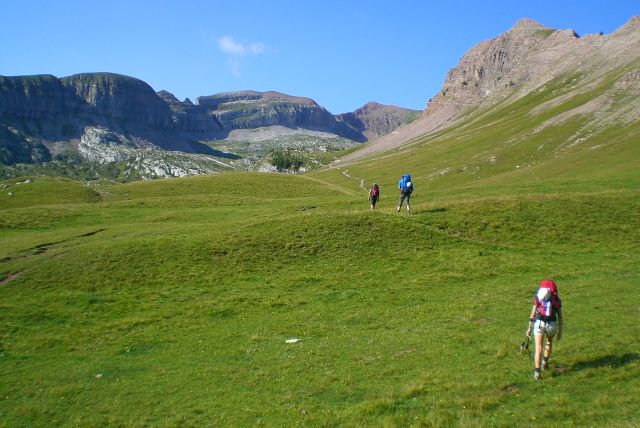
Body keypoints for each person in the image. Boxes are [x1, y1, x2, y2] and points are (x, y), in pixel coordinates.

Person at [526, 280, 563, 380]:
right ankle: (545, 363)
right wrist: (560, 331)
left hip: (539, 325)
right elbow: (560, 316)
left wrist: (529, 329)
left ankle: (537, 373)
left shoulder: (537, 298)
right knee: (549, 341)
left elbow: (532, 315)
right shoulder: (555, 300)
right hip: (552, 325)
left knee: (538, 348)